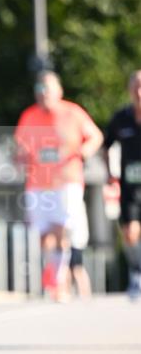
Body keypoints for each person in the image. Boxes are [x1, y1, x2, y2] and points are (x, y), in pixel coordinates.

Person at [14, 72, 103, 301]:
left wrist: (82, 153)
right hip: (37, 183)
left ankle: (59, 281)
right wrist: (20, 158)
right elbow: (20, 148)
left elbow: (96, 137)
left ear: (59, 91)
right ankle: (54, 276)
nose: (43, 94)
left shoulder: (73, 113)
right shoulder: (29, 115)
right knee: (44, 236)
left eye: (48, 89)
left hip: (66, 182)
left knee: (61, 230)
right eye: (40, 90)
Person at [103, 69, 141, 300]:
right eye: (135, 86)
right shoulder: (121, 118)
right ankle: (137, 275)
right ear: (129, 90)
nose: (139, 91)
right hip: (130, 187)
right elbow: (106, 145)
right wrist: (110, 173)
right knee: (130, 233)